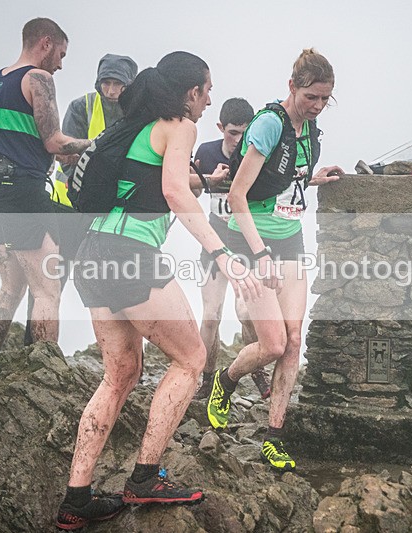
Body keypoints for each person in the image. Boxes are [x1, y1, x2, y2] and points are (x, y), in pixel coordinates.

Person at [55, 51, 263, 530]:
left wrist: (202, 181)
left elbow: (155, 177)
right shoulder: (180, 125)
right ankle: (145, 477)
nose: (210, 100)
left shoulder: (135, 126)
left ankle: (76, 499)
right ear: (190, 92)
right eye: (207, 90)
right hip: (129, 256)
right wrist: (221, 254)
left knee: (120, 373)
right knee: (191, 359)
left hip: (91, 254)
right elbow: (173, 191)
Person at [206, 49, 343, 472]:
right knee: (272, 344)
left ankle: (274, 436)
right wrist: (260, 254)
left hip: (290, 240)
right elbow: (237, 195)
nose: (317, 106)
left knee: (294, 341)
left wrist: (315, 178)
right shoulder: (269, 124)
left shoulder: (310, 128)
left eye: (325, 99)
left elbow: (286, 178)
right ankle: (225, 382)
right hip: (250, 242)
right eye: (311, 97)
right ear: (292, 87)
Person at [0, 18, 91, 384]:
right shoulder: (39, 79)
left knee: (11, 287)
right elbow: (53, 141)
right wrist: (98, 147)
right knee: (47, 289)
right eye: (61, 54)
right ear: (45, 43)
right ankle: (42, 376)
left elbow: (19, 138)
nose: (60, 64)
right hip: (21, 194)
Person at [24, 53, 138, 346]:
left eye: (118, 85)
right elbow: (64, 156)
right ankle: (33, 347)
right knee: (50, 280)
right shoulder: (82, 107)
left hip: (108, 214)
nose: (111, 91)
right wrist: (91, 187)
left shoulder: (135, 114)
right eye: (106, 83)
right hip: (67, 207)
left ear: (130, 86)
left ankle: (119, 353)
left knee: (111, 281)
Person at [192, 98, 272, 400]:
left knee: (246, 313)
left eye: (244, 133)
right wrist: (203, 178)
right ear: (220, 128)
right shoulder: (207, 152)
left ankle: (256, 367)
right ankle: (207, 379)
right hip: (214, 241)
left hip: (244, 244)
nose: (238, 140)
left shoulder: (256, 154)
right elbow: (191, 190)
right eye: (233, 133)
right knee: (211, 314)